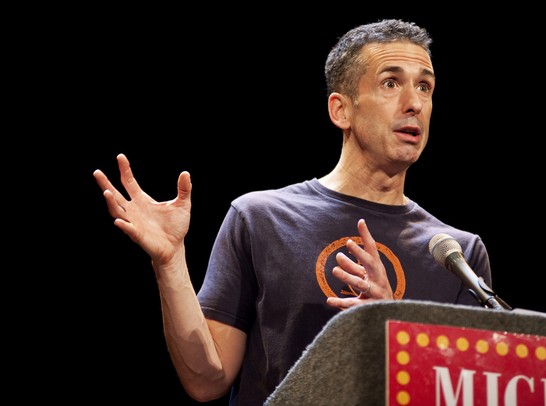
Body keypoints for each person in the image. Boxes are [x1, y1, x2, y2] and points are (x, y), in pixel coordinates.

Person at [93, 19, 492, 405]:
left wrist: (391, 332)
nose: (415, 103)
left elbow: (466, 394)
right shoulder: (261, 218)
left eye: (425, 86)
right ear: (341, 110)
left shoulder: (456, 256)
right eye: (391, 83)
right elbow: (206, 381)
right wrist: (170, 262)